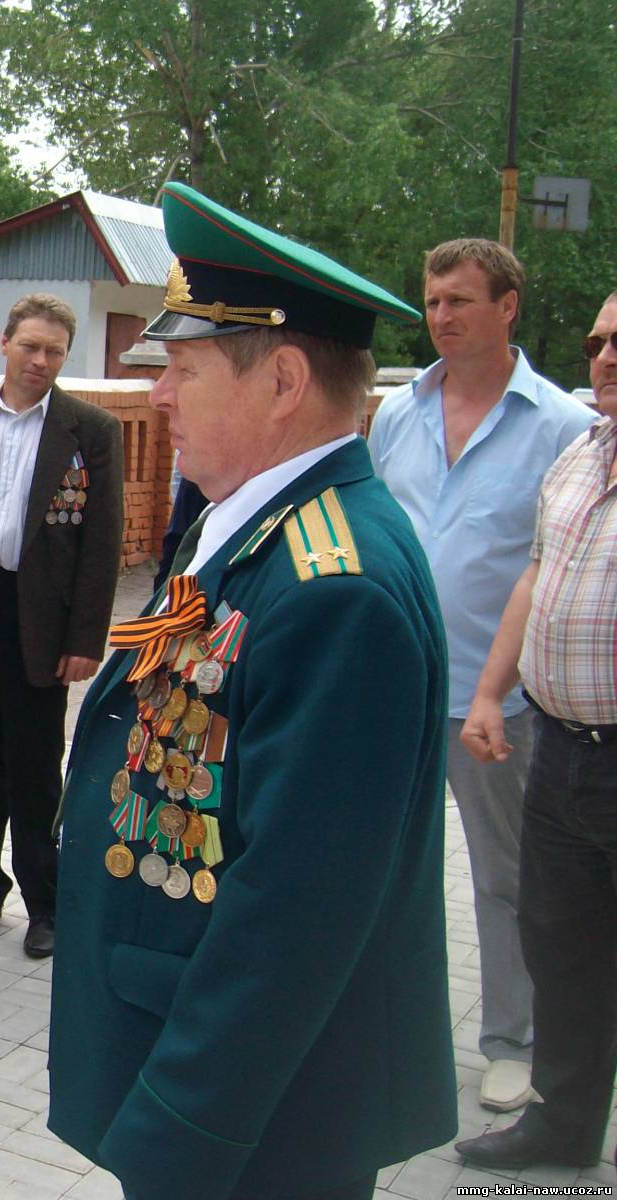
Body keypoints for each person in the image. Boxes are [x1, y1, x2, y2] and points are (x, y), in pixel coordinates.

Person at [47, 182, 457, 1199]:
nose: (156, 395)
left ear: (280, 380)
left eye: (181, 369)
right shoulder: (245, 521)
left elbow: (295, 917)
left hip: (254, 1118)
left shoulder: (336, 587)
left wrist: (179, 1130)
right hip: (210, 1058)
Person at [368, 238, 592, 1114]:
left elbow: (560, 568)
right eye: (431, 300)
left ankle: (513, 1040)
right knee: (384, 867)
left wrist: (501, 691)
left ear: (508, 308)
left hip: (498, 708)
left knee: (508, 878)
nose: (441, 316)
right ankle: (382, 1023)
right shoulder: (397, 413)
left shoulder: (565, 429)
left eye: (460, 300)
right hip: (394, 692)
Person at [454, 291, 617, 1170]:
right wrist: (489, 694)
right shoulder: (584, 454)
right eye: (596, 340)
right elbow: (535, 578)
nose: (603, 356)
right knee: (564, 942)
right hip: (558, 746)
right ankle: (563, 1125)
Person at [0, 293, 123, 959]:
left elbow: (102, 544)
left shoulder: (90, 430)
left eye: (54, 351)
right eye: (30, 346)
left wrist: (83, 641)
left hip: (40, 614)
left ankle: (47, 901)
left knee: (38, 767)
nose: (40, 360)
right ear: (5, 345)